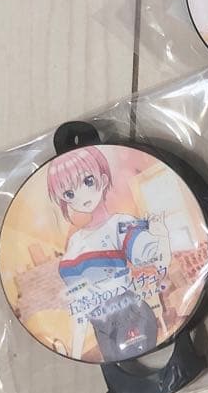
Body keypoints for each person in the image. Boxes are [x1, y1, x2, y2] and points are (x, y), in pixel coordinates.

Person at [47, 147, 170, 361]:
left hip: (128, 311)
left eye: (88, 181)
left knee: (137, 357)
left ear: (103, 180)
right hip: (99, 320)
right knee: (116, 361)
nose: (82, 195)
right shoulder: (75, 241)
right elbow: (81, 303)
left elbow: (157, 259)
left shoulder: (120, 224)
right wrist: (75, 352)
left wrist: (163, 237)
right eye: (69, 193)